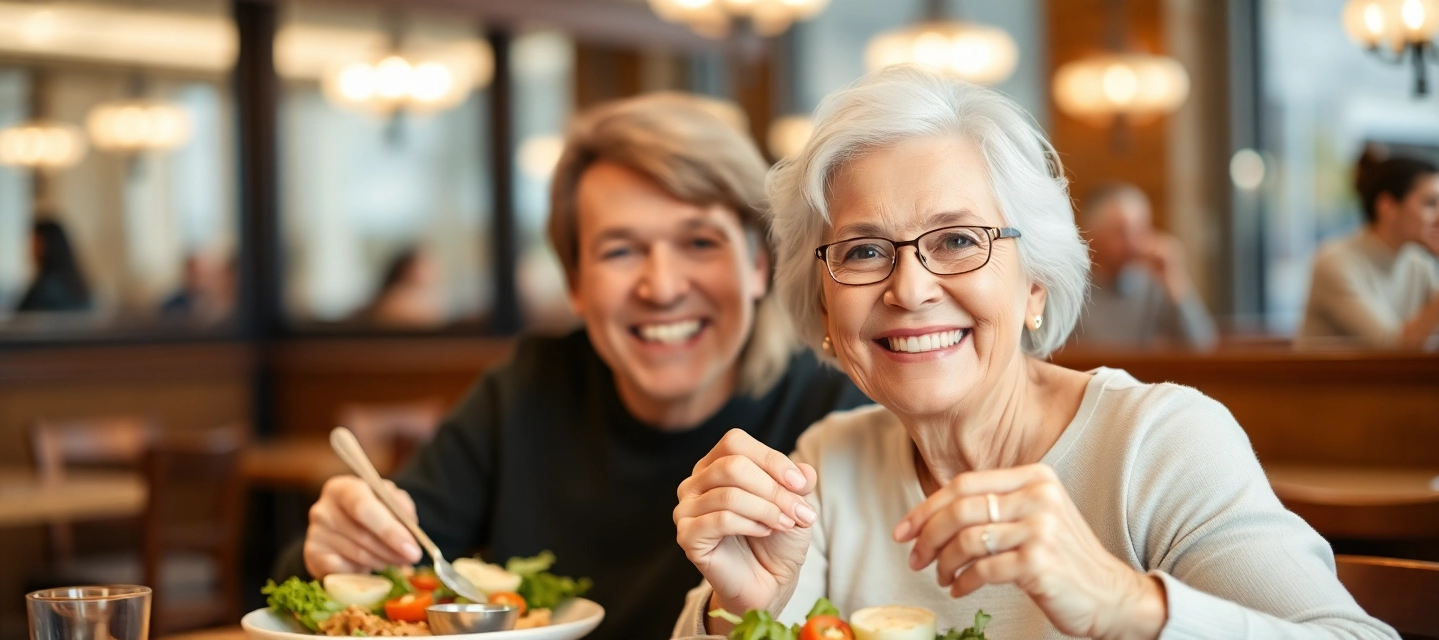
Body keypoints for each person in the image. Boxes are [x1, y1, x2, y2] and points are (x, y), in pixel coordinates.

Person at [671, 67, 1396, 640]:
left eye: (958, 239)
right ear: (825, 310)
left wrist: (1128, 605)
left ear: (1036, 286)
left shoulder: (1161, 442)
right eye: (864, 251)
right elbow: (753, 623)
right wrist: (739, 611)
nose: (910, 288)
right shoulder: (829, 462)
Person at [274, 93, 870, 640]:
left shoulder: (830, 407)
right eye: (620, 250)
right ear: (576, 285)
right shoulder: (529, 387)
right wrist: (338, 554)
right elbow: (321, 581)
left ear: (757, 266)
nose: (661, 287)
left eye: (699, 243)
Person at [1299, 149, 1439, 350]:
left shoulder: (1419, 263)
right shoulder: (1335, 262)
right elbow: (1393, 348)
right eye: (1430, 203)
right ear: (1387, 206)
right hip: (1331, 381)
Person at [1069, 183, 1216, 351]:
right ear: (1091, 234)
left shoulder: (1156, 283)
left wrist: (1175, 281)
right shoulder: (1072, 289)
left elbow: (1201, 346)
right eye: (1121, 232)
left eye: (1141, 229)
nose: (1133, 242)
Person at [354, 247, 448, 327]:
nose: (432, 272)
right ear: (405, 270)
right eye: (425, 267)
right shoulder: (398, 300)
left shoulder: (429, 299)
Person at [18, 219, 93, 313]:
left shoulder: (46, 290)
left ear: (46, 245)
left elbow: (20, 320)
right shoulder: (82, 285)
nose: (30, 249)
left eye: (34, 242)